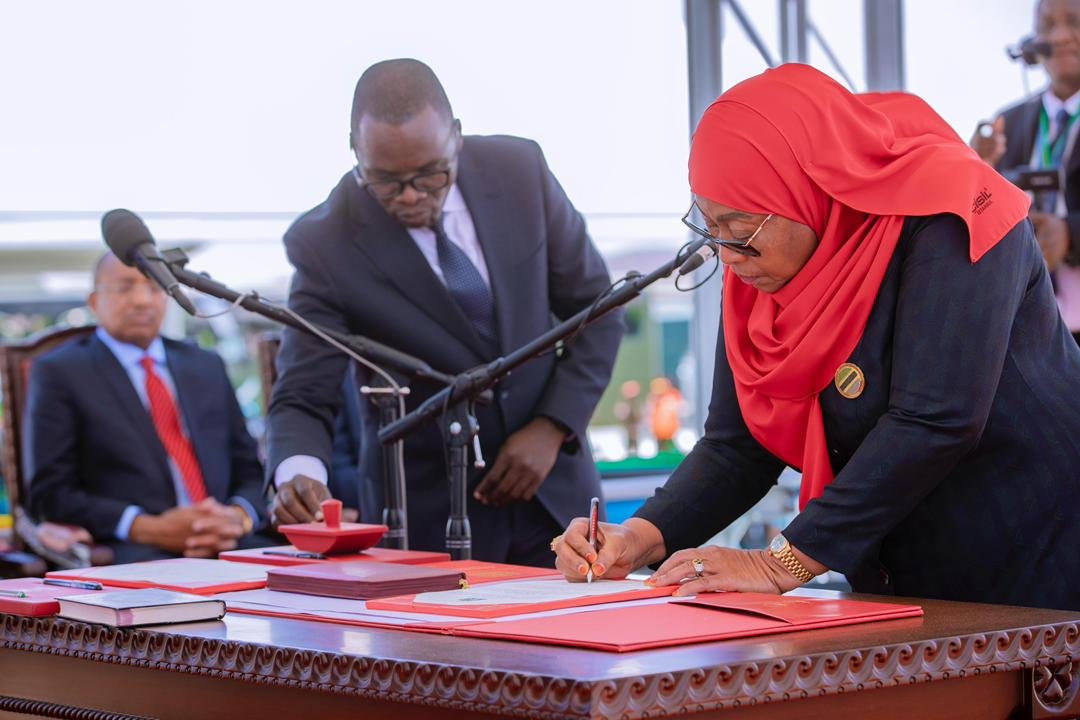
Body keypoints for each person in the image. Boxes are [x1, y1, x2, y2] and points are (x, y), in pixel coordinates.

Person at [553, 63, 1080, 611]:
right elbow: (738, 444)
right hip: (903, 572)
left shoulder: (955, 210)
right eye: (711, 229)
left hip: (1039, 552)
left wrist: (777, 563)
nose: (728, 258)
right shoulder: (760, 269)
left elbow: (935, 419)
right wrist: (635, 538)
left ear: (812, 192)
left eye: (741, 232)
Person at [267, 58, 623, 567]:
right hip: (427, 520)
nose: (411, 195)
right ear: (355, 150)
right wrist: (298, 471)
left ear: (455, 136)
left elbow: (599, 312)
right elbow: (304, 390)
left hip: (556, 504)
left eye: (431, 175)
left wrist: (551, 426)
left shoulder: (520, 172)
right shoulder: (324, 241)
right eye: (385, 182)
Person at [25, 253, 269, 563]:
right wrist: (145, 527)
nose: (142, 300)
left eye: (154, 287)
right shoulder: (61, 372)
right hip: (135, 552)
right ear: (95, 301)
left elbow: (250, 469)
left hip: (232, 541)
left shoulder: (206, 365)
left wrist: (237, 517)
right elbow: (50, 493)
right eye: (124, 287)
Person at [971, 0, 1080, 342]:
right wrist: (976, 169)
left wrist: (1070, 233)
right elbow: (978, 220)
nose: (1059, 36)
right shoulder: (1007, 123)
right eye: (1047, 26)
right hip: (1025, 328)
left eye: (1074, 22)